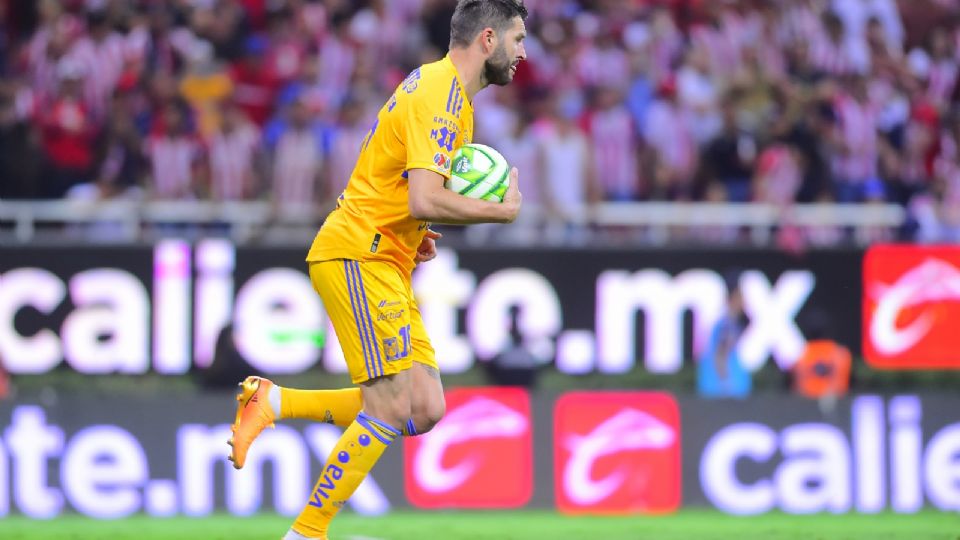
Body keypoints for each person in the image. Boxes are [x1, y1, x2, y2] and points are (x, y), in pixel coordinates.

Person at [226, 2, 527, 539]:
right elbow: (424, 196)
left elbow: (402, 191)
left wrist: (418, 236)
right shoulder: (440, 96)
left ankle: (271, 402)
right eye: (518, 39)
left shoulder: (444, 93)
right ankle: (306, 533)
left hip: (388, 255)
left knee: (423, 407)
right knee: (388, 409)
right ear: (488, 39)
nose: (523, 53)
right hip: (359, 253)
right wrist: (497, 211)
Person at [697, 273, 752, 399]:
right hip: (723, 392)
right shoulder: (727, 324)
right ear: (733, 298)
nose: (744, 301)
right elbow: (720, 355)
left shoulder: (727, 322)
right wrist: (726, 384)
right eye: (741, 296)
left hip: (722, 390)